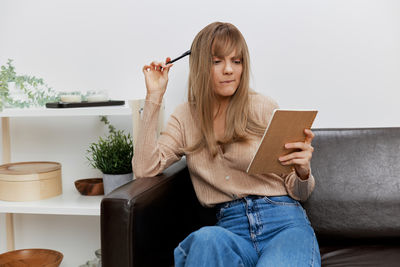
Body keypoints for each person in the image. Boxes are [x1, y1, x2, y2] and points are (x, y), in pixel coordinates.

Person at [134, 21, 321, 267]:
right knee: (204, 241)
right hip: (230, 229)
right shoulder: (184, 117)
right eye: (217, 61)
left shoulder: (263, 107)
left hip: (283, 223)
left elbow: (300, 193)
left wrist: (303, 171)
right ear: (201, 65)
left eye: (237, 61)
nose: (229, 70)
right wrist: (154, 97)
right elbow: (145, 168)